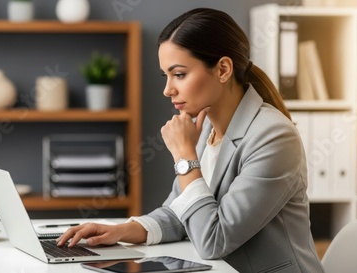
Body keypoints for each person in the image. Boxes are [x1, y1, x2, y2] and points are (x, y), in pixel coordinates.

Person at [57, 7, 325, 272]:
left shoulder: (273, 137)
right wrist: (121, 231)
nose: (167, 89)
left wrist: (185, 157)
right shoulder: (205, 124)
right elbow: (181, 212)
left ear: (222, 69)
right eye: (167, 75)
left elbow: (214, 239)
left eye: (180, 74)